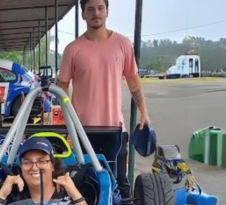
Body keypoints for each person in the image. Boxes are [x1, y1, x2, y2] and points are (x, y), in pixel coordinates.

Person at [58, 0, 151, 201]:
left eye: (100, 8)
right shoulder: (73, 49)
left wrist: (144, 112)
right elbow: (62, 86)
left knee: (119, 180)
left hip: (114, 129)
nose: (96, 13)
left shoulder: (123, 44)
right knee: (85, 180)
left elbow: (134, 82)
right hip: (82, 130)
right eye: (90, 9)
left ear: (107, 12)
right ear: (83, 14)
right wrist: (68, 122)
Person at [0, 137, 87, 205]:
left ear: (53, 165)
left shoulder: (68, 196)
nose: (34, 167)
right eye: (27, 162)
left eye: (41, 161)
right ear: (21, 168)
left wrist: (75, 194)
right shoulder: (15, 199)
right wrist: (1, 197)